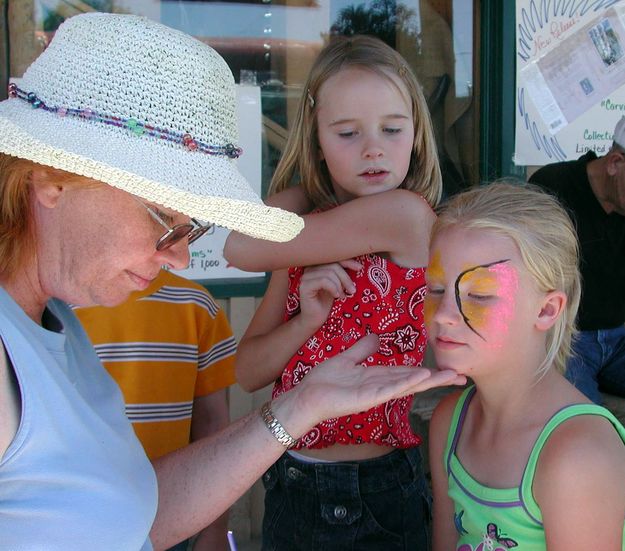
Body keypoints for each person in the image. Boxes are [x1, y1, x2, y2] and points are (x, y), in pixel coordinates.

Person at [0, 13, 464, 551]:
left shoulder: (58, 323)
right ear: (51, 180)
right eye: (162, 217)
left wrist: (298, 407)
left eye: (192, 226)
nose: (178, 256)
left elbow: (133, 514)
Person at [224, 35, 443, 550]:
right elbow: (250, 372)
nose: (373, 148)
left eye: (392, 129)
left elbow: (239, 246)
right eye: (346, 133)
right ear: (316, 139)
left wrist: (310, 184)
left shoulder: (406, 216)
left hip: (382, 487)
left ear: (416, 136)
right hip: (291, 480)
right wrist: (306, 321)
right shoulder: (301, 244)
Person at [425, 182, 625, 550]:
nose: (444, 315)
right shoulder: (449, 421)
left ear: (547, 310)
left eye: (479, 296)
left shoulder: (577, 455)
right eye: (436, 289)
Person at [75, 268, 236, 550]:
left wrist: (216, 527)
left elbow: (213, 425)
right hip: (77, 515)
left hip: (171, 513)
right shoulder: (55, 307)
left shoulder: (196, 305)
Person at [529, 120, 625, 404]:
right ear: (615, 163)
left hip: (620, 339)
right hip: (566, 340)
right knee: (581, 421)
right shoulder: (552, 187)